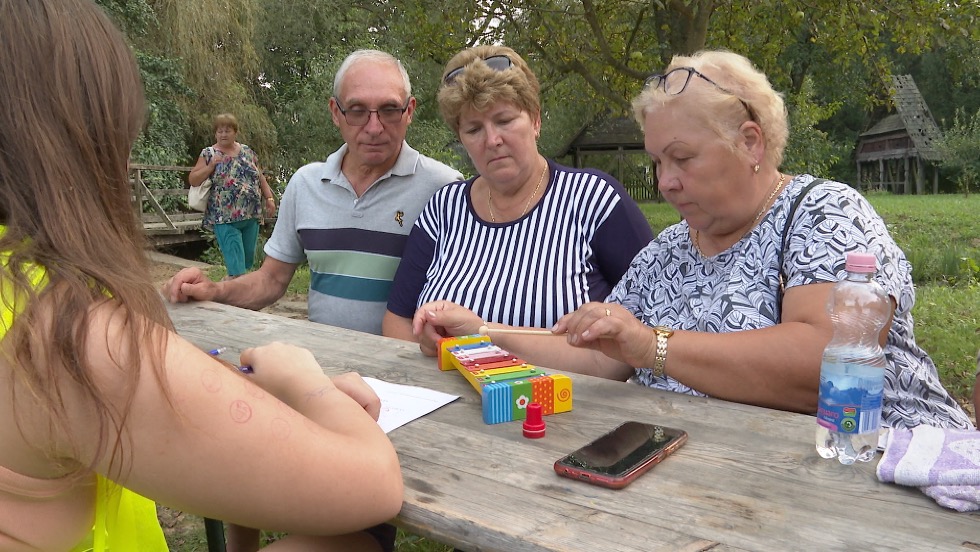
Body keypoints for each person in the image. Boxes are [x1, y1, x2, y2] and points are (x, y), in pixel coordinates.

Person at [0, 1, 403, 551]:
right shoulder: (72, 334)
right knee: (358, 541)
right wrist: (302, 377)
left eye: (389, 110)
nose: (373, 125)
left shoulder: (38, 308)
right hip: (353, 420)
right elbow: (373, 484)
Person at [411, 49, 974, 431]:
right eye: (657, 162)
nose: (666, 181)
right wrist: (484, 333)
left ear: (750, 142)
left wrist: (652, 345)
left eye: (682, 158)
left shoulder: (823, 212)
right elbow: (600, 357)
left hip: (879, 477)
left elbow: (825, 366)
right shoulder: (671, 249)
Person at [165, 50, 462, 337]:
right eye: (357, 111)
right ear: (336, 112)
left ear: (409, 111)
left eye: (389, 110)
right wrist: (215, 291)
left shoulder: (445, 190)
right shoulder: (305, 184)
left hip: (407, 380)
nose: (374, 127)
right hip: (323, 370)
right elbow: (271, 279)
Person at [382, 45, 653, 347]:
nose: (492, 140)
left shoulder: (594, 200)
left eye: (504, 120)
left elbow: (653, 321)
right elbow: (398, 319)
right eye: (474, 129)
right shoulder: (443, 210)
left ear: (535, 120)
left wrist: (482, 334)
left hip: (568, 393)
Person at [188, 113, 277, 279]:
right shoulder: (208, 153)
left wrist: (269, 198)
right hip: (224, 217)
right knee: (236, 265)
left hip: (250, 214)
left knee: (247, 260)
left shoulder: (247, 151)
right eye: (219, 131)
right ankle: (237, 295)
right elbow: (193, 180)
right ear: (215, 133)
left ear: (235, 132)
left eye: (227, 131)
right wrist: (210, 167)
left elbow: (259, 176)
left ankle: (230, 285)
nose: (223, 134)